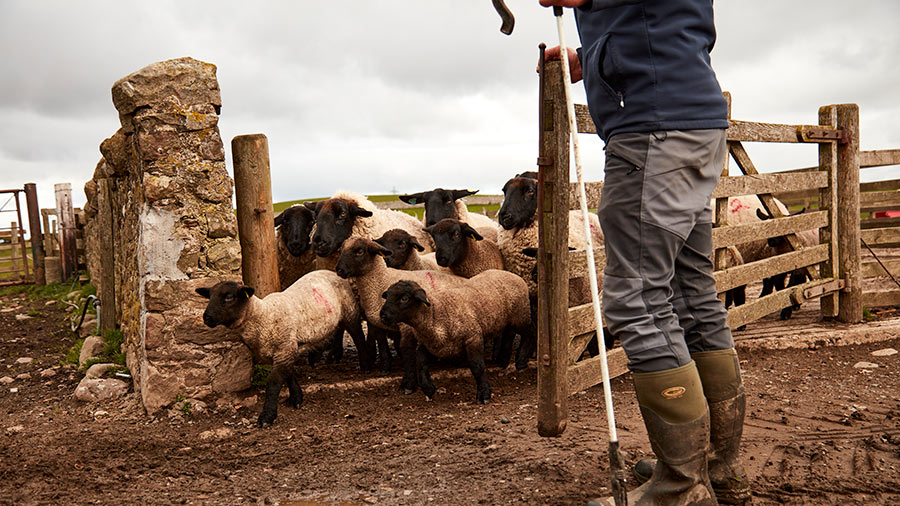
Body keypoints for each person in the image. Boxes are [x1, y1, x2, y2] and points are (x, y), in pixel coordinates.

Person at [538, 1, 750, 505]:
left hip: (654, 131)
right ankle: (715, 464)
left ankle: (682, 486)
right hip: (691, 120)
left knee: (636, 300)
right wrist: (592, 57)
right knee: (691, 294)